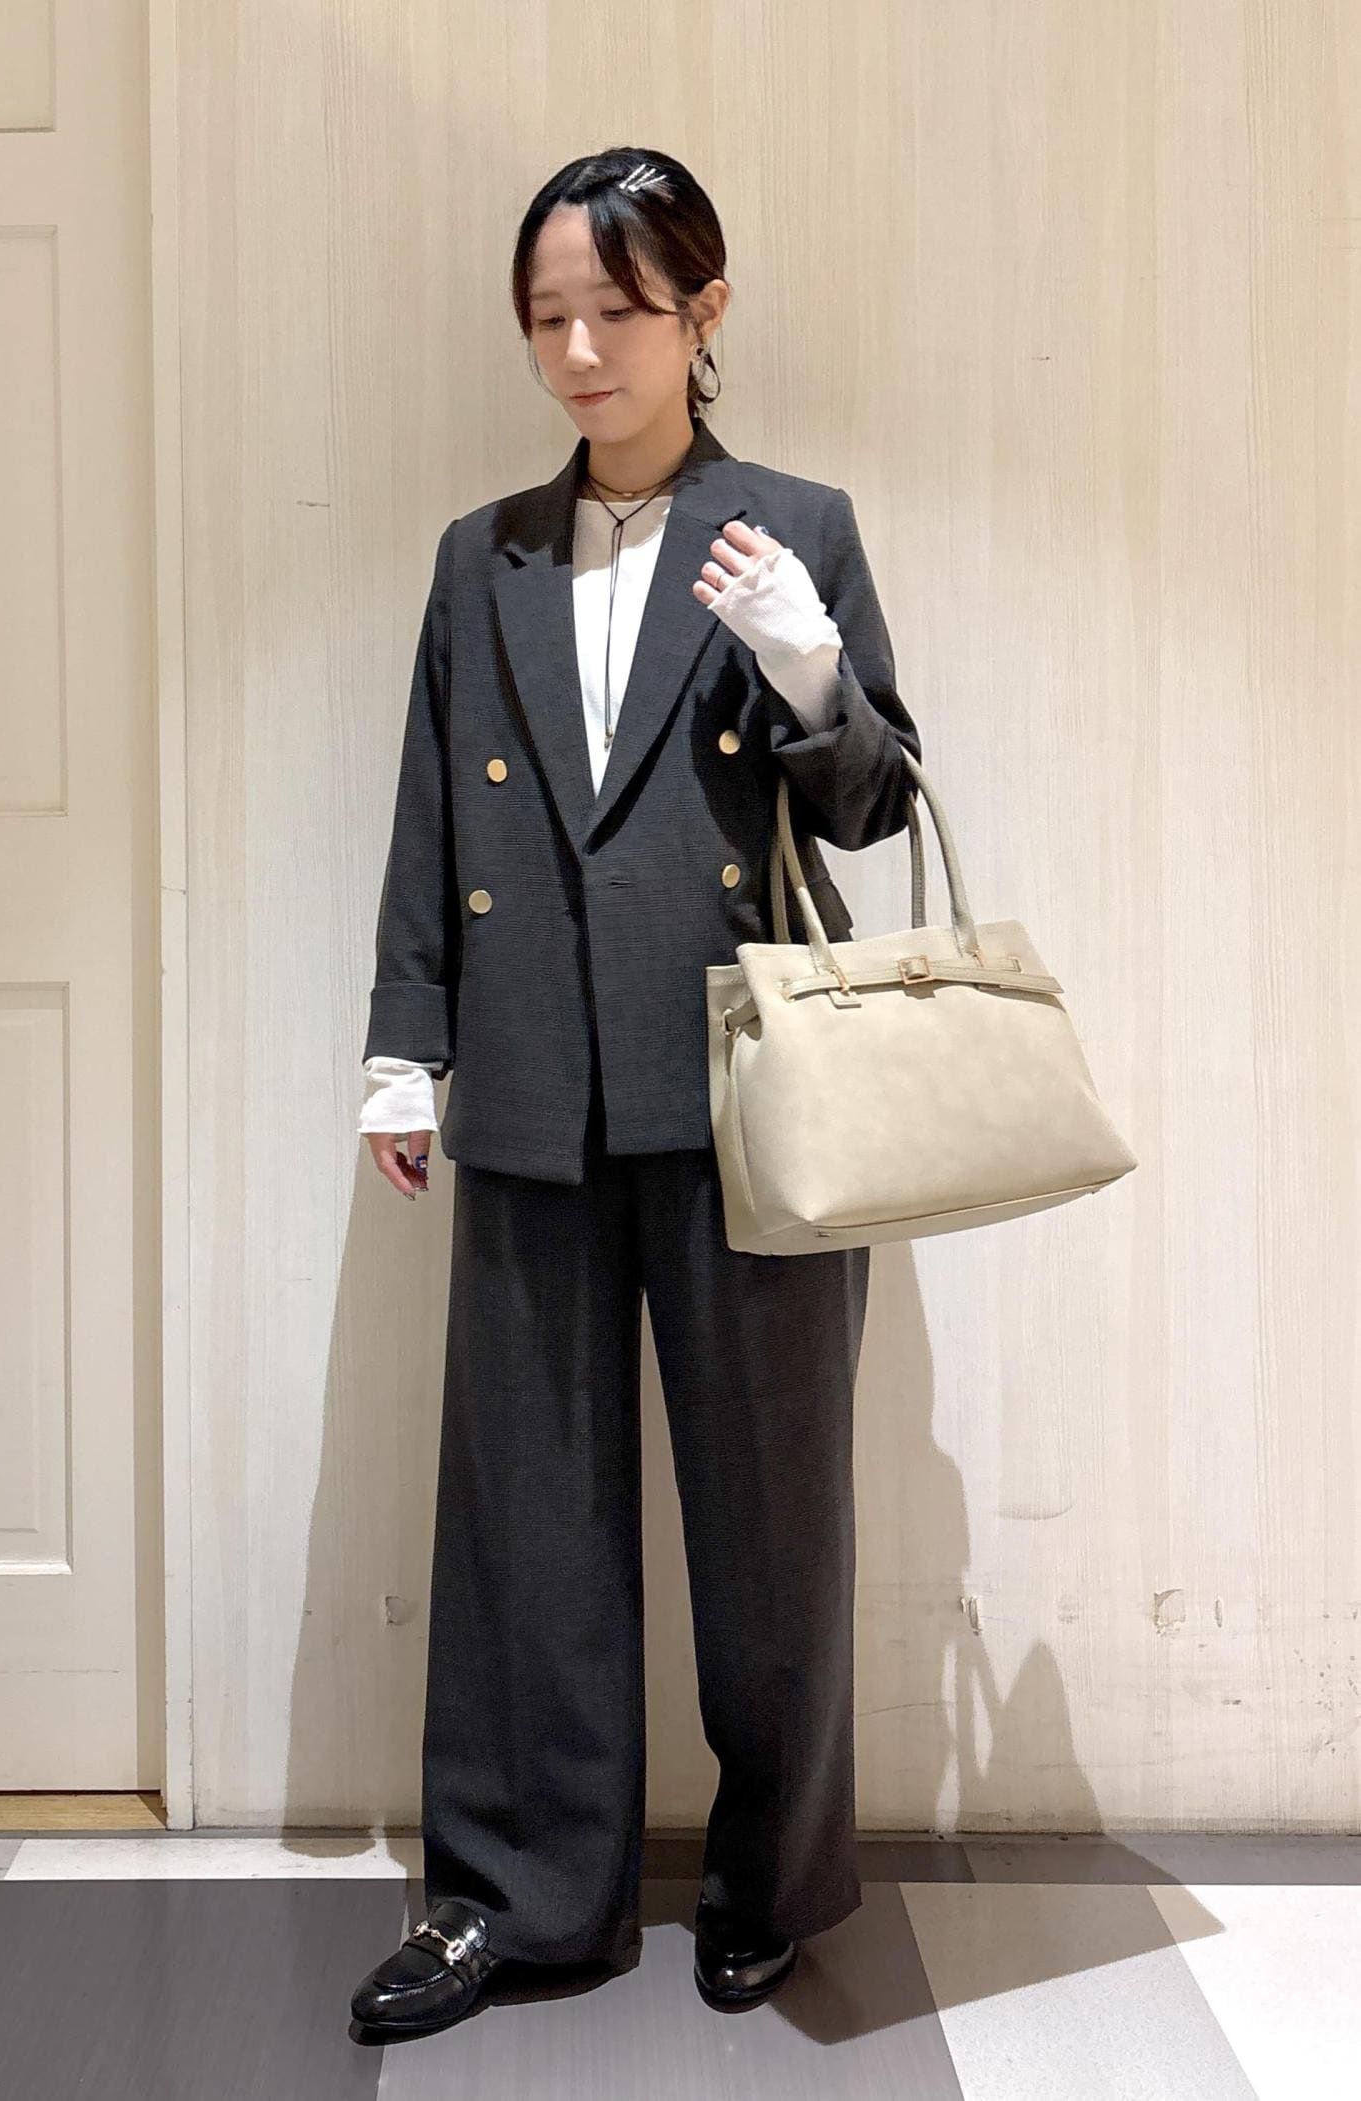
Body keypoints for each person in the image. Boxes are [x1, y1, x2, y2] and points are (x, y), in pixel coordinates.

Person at [348, 147, 922, 2047]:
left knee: (773, 1521)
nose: (581, 351)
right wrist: (404, 1047)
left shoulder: (794, 527)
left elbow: (876, 804)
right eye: (548, 318)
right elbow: (432, 820)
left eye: (619, 310)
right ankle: (518, 1892)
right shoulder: (483, 555)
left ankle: (768, 1883)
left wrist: (806, 660)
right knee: (524, 1514)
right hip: (530, 1083)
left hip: (748, 1092)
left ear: (704, 311)